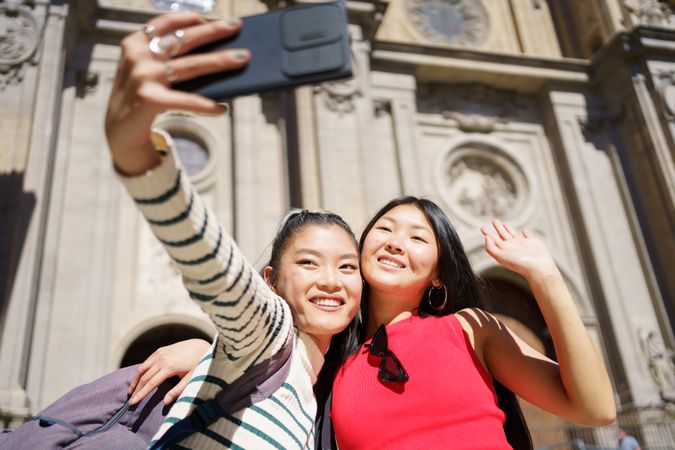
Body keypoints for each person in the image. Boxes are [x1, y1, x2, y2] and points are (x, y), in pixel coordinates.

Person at [0, 11, 362, 450]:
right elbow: (218, 273)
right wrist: (139, 157)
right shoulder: (271, 339)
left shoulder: (323, 396)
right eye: (307, 262)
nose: (331, 280)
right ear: (270, 281)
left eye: (348, 266)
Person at [322, 197, 616, 450]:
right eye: (384, 229)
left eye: (417, 238)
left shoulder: (469, 329)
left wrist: (546, 277)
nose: (395, 243)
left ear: (438, 273)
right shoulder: (332, 362)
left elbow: (595, 409)